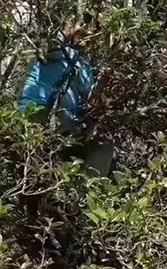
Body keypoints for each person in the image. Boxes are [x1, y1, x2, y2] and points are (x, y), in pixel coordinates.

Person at [19, 25, 113, 175]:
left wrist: (104, 79)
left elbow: (90, 96)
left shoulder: (82, 63)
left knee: (102, 143)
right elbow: (48, 44)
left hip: (57, 122)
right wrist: (70, 33)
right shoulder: (57, 52)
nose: (85, 37)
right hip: (39, 113)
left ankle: (90, 188)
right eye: (82, 34)